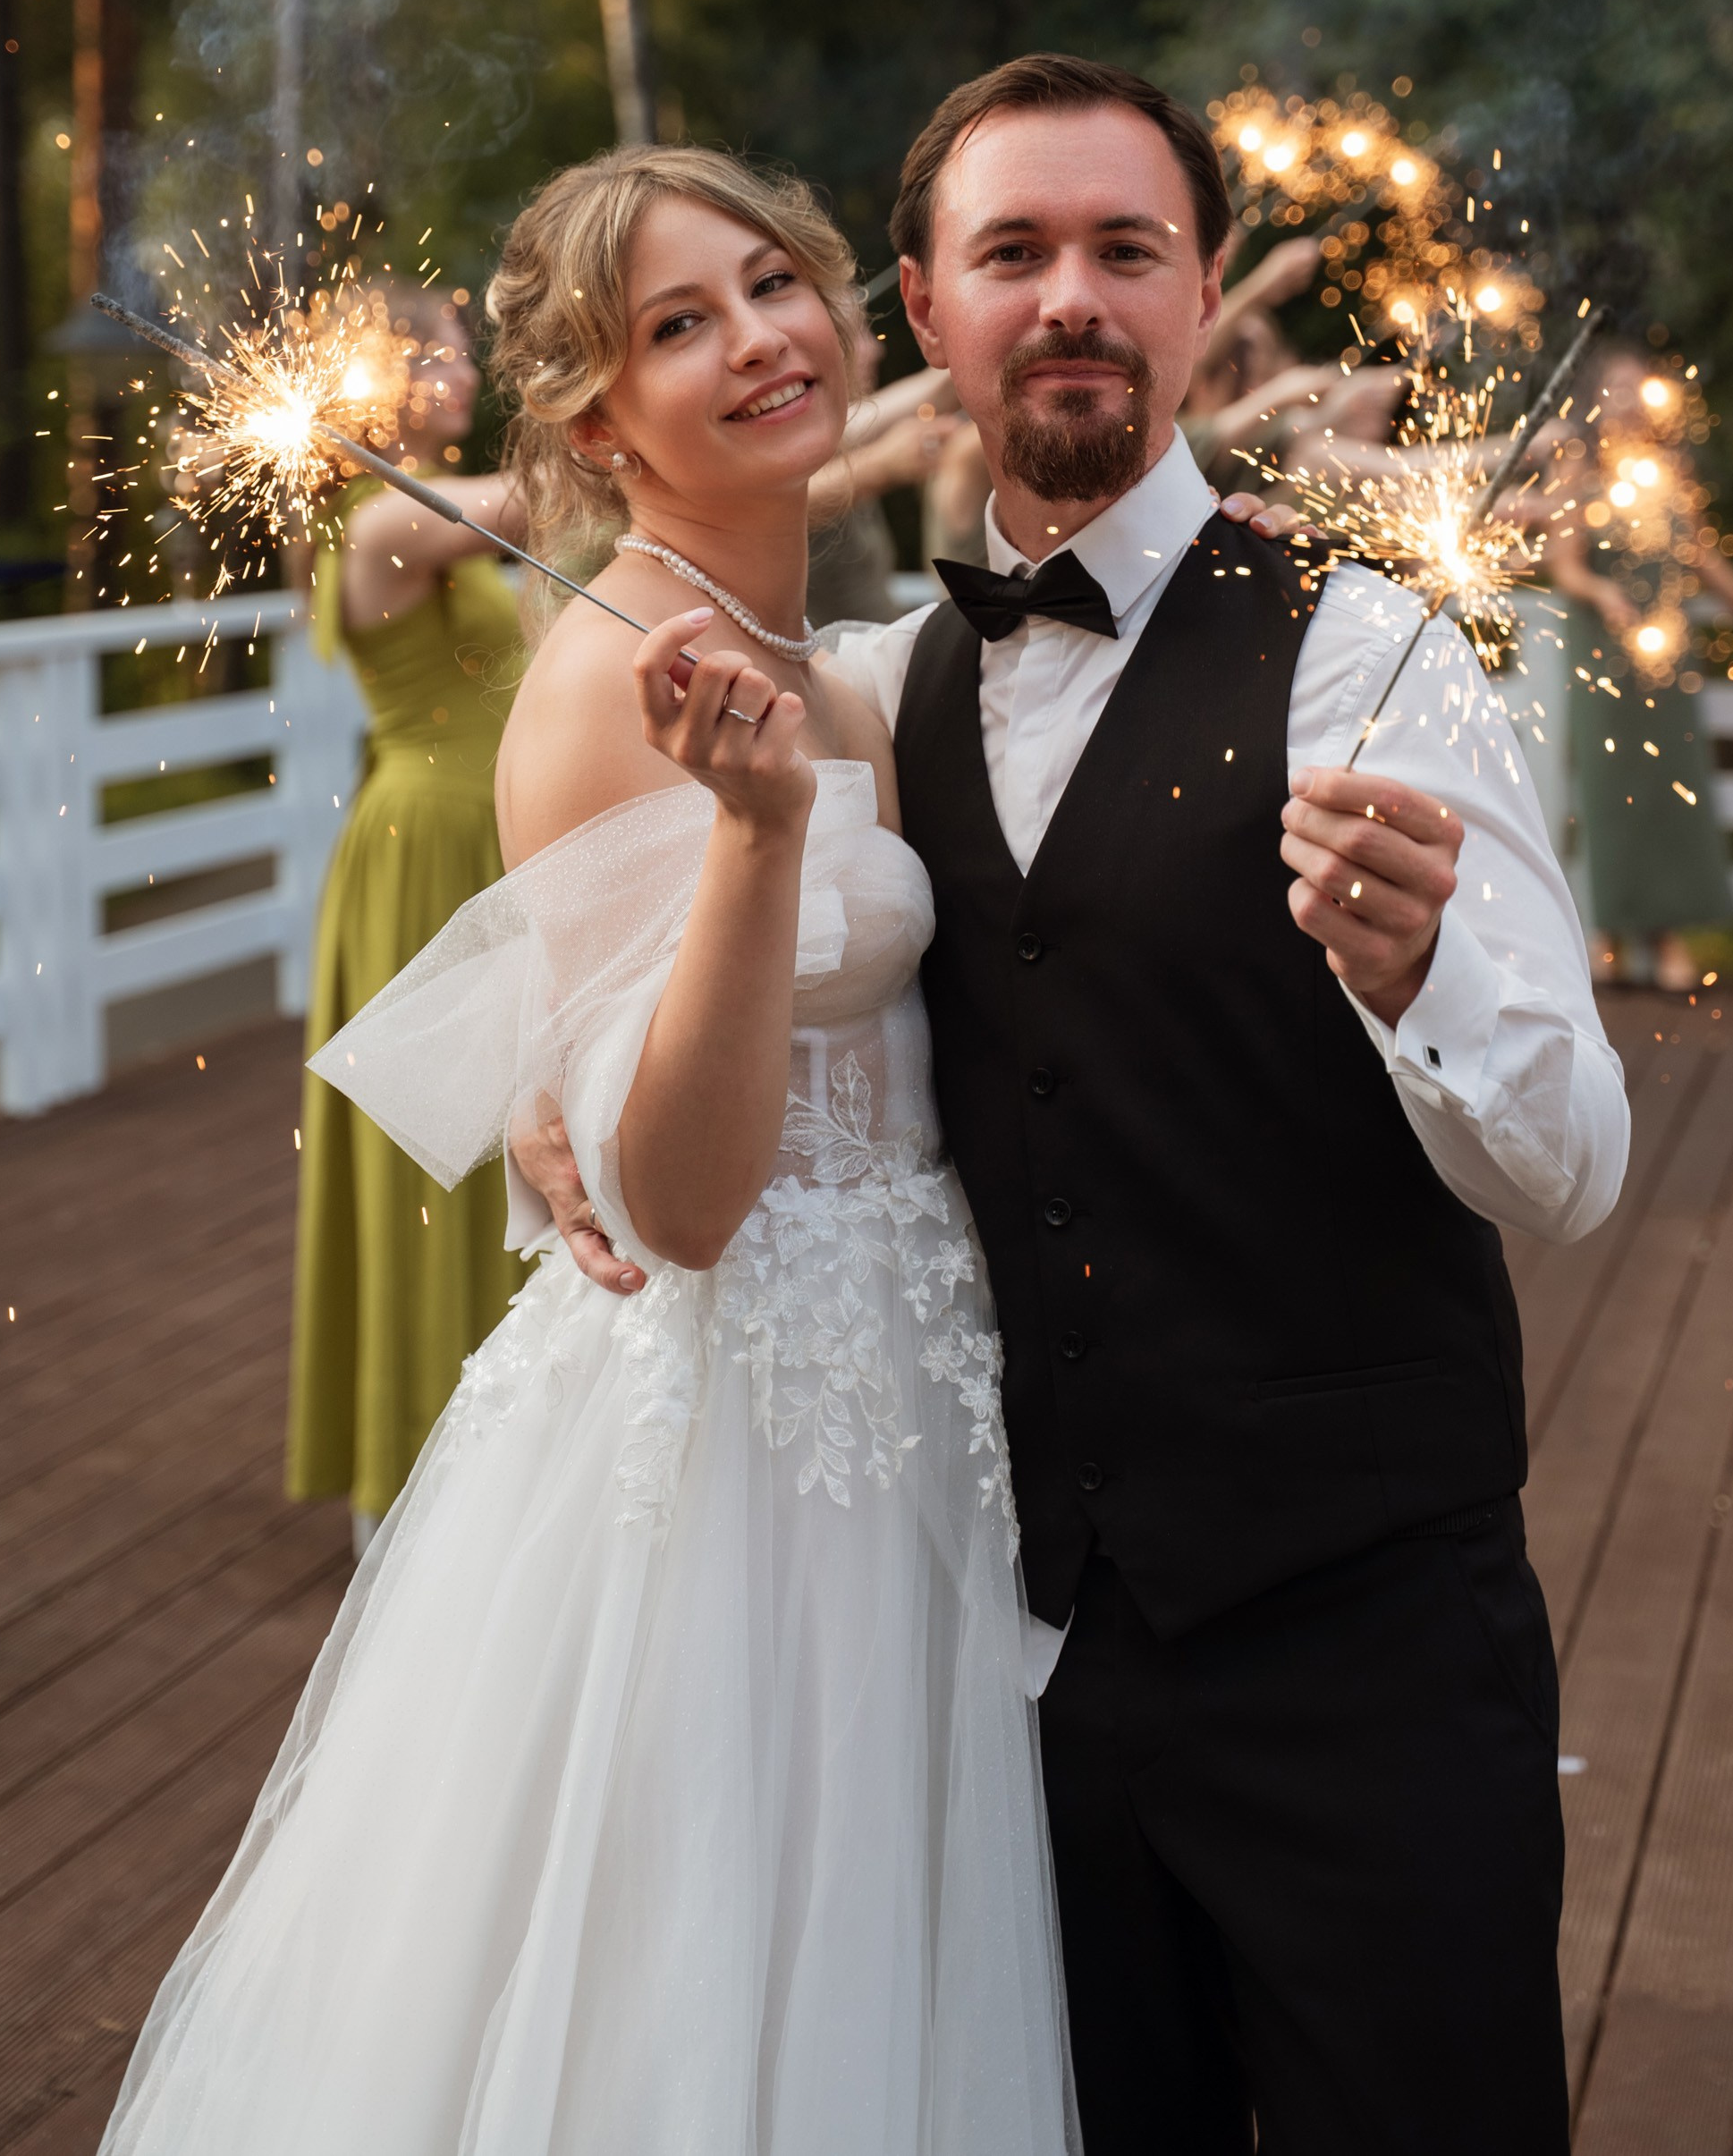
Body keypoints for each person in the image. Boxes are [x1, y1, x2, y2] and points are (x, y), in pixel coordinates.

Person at [557, 56, 1631, 2154]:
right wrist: (551, 1097)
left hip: (1362, 1656)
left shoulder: (1376, 659)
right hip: (1014, 1678)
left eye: (1123, 251)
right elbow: (735, 963)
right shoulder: (872, 691)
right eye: (1012, 253)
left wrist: (1414, 977)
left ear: (1200, 289)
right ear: (927, 309)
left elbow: (1575, 1167)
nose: (1069, 296)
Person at [98, 147, 1097, 2156]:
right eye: (676, 324)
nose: (757, 340)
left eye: (771, 285)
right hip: (732, 1462)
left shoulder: (831, 667)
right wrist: (751, 842)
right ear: (589, 415)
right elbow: (684, 1198)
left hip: (913, 1408)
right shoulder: (603, 692)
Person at [287, 289, 530, 1551]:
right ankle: (410, 1471)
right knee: (435, 1156)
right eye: (432, 350)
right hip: (428, 852)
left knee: (511, 1138)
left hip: (485, 839)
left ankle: (505, 1445)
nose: (464, 367)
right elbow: (552, 502)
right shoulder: (386, 517)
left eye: (464, 346)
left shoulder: (431, 509)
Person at [1543, 341, 1733, 988]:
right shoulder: (1575, 473)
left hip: (1668, 662)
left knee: (1671, 792)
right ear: (1598, 398)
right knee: (1613, 796)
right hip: (1605, 658)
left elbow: (1698, 554)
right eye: (1620, 387)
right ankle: (1607, 937)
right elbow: (1563, 565)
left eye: (1641, 387)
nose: (1631, 399)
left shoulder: (1668, 472)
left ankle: (1667, 943)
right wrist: (1604, 592)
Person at [804, 312, 960, 624]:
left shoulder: (829, 432)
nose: (876, 350)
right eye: (855, 334)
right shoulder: (789, 445)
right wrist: (881, 465)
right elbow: (760, 501)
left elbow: (935, 390)